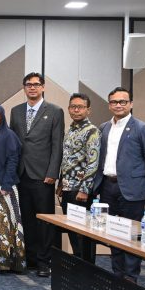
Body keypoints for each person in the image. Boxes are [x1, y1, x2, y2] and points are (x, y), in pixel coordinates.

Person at [93, 87, 145, 282]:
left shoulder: (142, 128)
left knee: (132, 233)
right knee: (113, 232)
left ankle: (130, 276)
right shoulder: (104, 127)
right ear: (109, 105)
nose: (118, 105)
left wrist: (136, 177)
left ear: (131, 104)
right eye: (114, 102)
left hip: (132, 189)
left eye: (123, 102)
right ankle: (117, 273)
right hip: (108, 186)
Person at [10, 72, 64, 277]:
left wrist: (53, 173)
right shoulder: (15, 111)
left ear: (43, 87)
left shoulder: (55, 111)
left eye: (36, 84)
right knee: (26, 219)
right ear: (24, 88)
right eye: (28, 84)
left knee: (44, 220)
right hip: (21, 174)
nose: (32, 88)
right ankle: (30, 258)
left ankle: (44, 261)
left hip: (43, 176)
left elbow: (57, 145)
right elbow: (12, 144)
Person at [0, 104, 26, 274]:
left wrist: (7, 185)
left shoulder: (9, 135)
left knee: (4, 222)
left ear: (2, 116)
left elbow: (13, 161)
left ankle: (7, 262)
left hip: (3, 186)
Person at [59, 93, 100, 256]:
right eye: (73, 107)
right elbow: (66, 159)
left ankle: (87, 269)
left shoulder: (92, 131)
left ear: (88, 110)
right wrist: (61, 184)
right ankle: (77, 265)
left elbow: (93, 162)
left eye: (80, 107)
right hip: (68, 189)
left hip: (81, 192)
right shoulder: (70, 130)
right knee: (72, 230)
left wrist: (85, 189)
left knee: (83, 234)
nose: (76, 110)